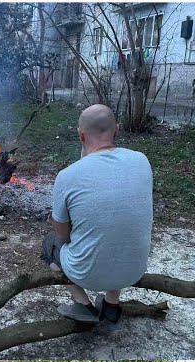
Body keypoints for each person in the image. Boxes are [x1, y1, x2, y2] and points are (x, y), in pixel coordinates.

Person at [44, 103, 154, 323]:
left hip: (86, 274)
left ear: (80, 135)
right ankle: (112, 305)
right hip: (134, 270)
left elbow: (63, 237)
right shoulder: (142, 161)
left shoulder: (68, 176)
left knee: (49, 243)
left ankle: (83, 304)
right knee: (118, 228)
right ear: (118, 130)